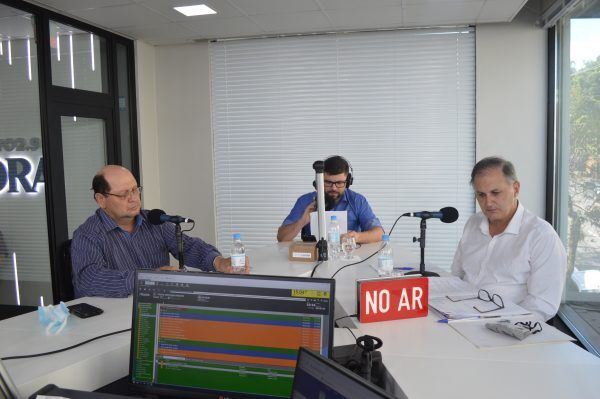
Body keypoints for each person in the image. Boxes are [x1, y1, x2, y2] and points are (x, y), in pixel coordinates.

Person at [71, 165, 249, 298]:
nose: (133, 199)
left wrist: (218, 262)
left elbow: (187, 247)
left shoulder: (155, 221)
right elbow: (89, 280)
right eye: (124, 194)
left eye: (135, 190)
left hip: (157, 306)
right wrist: (147, 279)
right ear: (101, 199)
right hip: (113, 318)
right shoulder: (87, 235)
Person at [451, 157, 566, 321]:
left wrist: (502, 325)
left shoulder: (541, 235)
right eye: (481, 195)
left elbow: (543, 304)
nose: (488, 202)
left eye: (495, 193)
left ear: (516, 189)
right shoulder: (473, 223)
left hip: (506, 326)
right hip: (461, 316)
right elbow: (457, 274)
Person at [277, 156, 383, 244]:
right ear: (319, 181)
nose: (334, 188)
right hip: (314, 259)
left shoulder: (357, 201)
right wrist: (302, 221)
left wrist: (357, 237)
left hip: (348, 258)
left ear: (348, 181)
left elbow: (379, 233)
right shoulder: (305, 201)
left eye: (340, 183)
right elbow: (281, 237)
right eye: (328, 182)